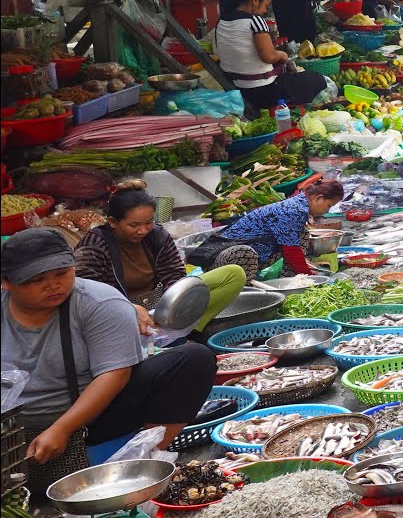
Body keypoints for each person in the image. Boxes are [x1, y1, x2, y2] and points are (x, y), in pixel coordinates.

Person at [2, 228, 216, 477]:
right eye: (36, 280)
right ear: (6, 282)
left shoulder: (99, 303)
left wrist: (62, 428)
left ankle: (139, 463)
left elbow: (115, 374)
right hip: (12, 426)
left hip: (90, 418)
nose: (52, 285)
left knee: (194, 360)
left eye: (62, 273)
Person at [74, 180, 248, 338]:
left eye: (148, 222)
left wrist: (175, 305)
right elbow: (87, 294)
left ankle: (188, 333)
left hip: (161, 308)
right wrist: (128, 308)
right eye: (134, 225)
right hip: (118, 314)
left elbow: (174, 274)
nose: (143, 230)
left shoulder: (157, 235)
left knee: (233, 274)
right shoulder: (94, 245)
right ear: (113, 222)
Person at [186, 180, 345, 278]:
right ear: (318, 199)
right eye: (328, 206)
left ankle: (291, 279)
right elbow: (291, 250)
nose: (326, 211)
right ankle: (243, 292)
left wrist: (304, 273)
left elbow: (292, 246)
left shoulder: (299, 205)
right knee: (245, 252)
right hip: (221, 260)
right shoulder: (293, 210)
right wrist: (308, 276)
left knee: (302, 234)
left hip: (248, 256)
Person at [213, 0, 327, 112]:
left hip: (237, 88)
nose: (265, 10)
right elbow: (269, 57)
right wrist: (282, 55)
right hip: (263, 91)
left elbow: (222, 53)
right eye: (265, 5)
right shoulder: (255, 21)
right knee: (318, 79)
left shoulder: (221, 23)